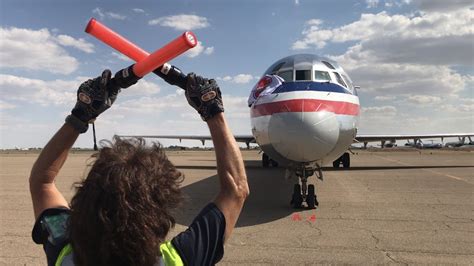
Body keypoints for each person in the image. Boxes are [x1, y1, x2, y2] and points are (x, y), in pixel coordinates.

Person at [29, 65, 249, 266]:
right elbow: (236, 189)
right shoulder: (180, 260)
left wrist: (80, 115)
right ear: (159, 217)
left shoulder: (65, 253)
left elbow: (42, 181)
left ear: (85, 199)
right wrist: (213, 110)